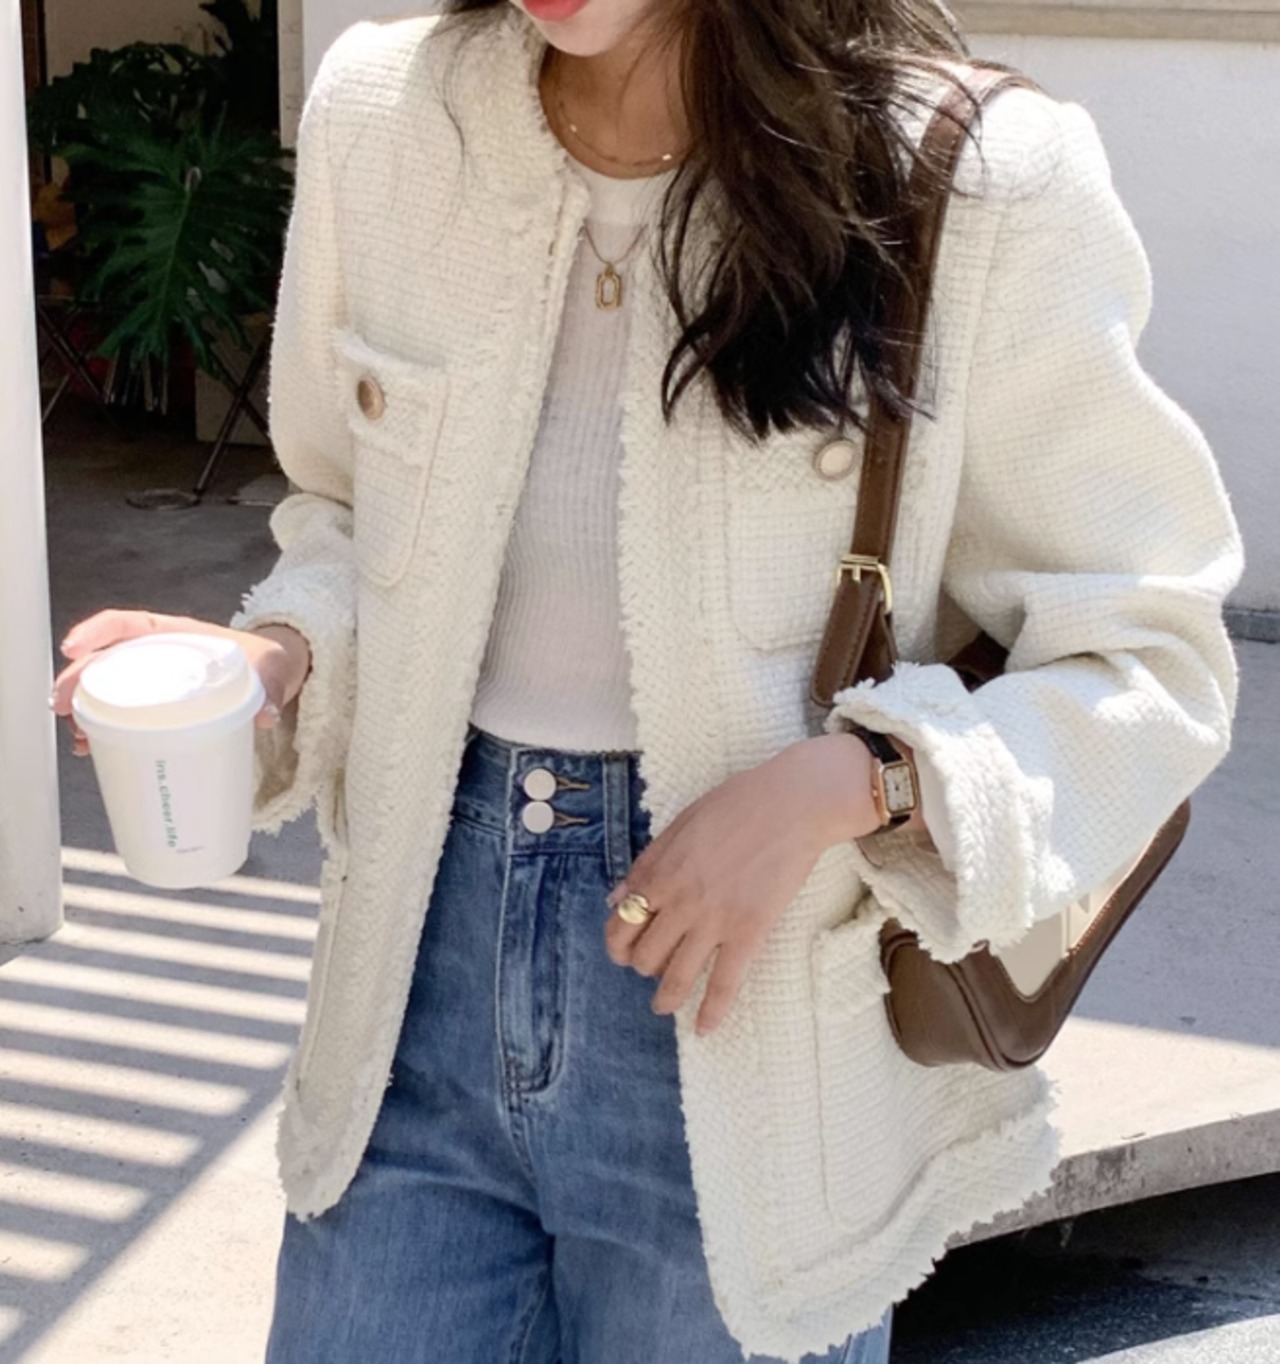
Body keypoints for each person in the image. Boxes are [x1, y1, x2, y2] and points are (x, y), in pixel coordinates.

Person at [52, 0, 1243, 1359]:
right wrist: (276, 656)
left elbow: (1150, 660)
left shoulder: (972, 178)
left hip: (753, 1049)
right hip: (408, 1009)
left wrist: (853, 781)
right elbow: (350, 520)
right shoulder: (389, 117)